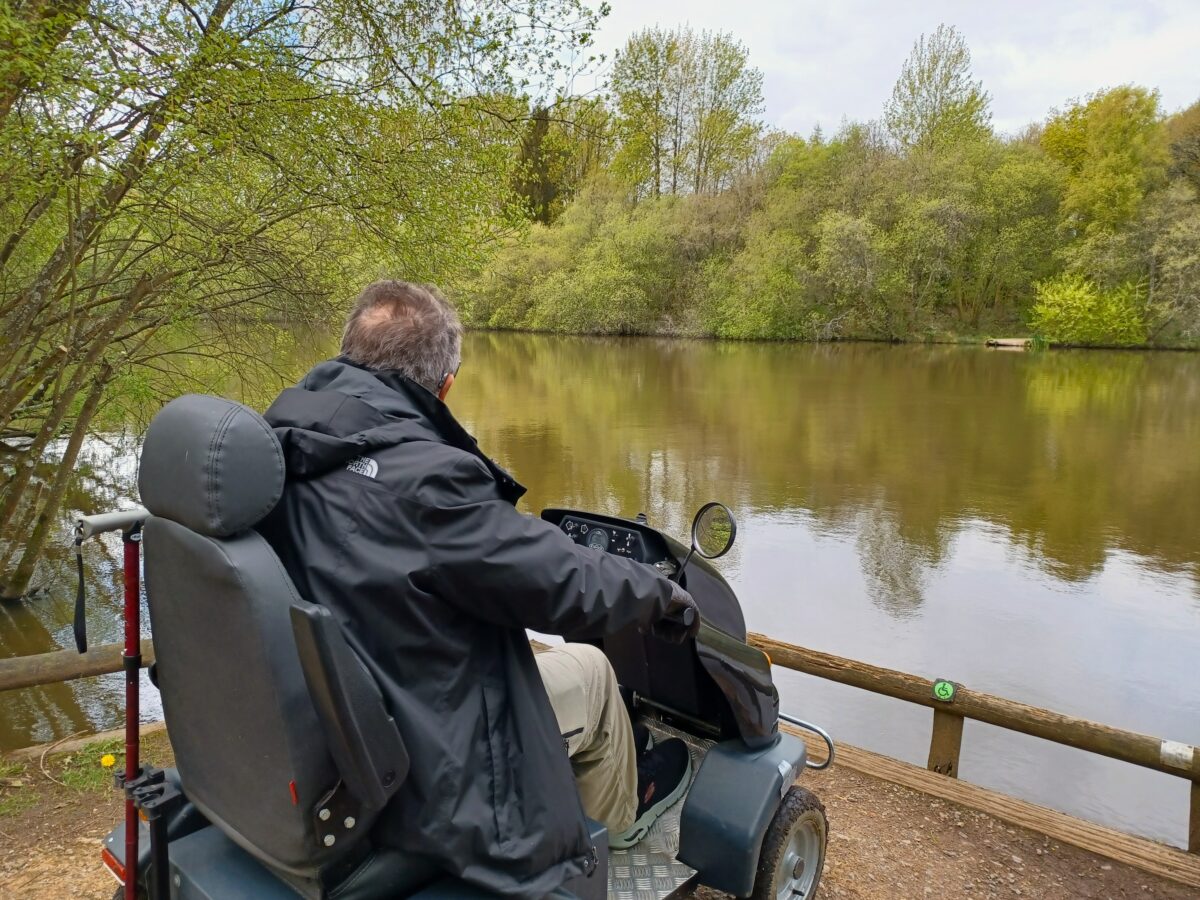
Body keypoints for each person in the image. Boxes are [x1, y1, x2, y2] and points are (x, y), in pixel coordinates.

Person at [256, 280, 699, 897]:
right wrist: (659, 593)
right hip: (427, 750)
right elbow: (565, 579)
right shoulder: (426, 480)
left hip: (343, 705)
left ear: (348, 354)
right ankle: (607, 843)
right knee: (594, 671)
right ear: (445, 385)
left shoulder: (279, 443)